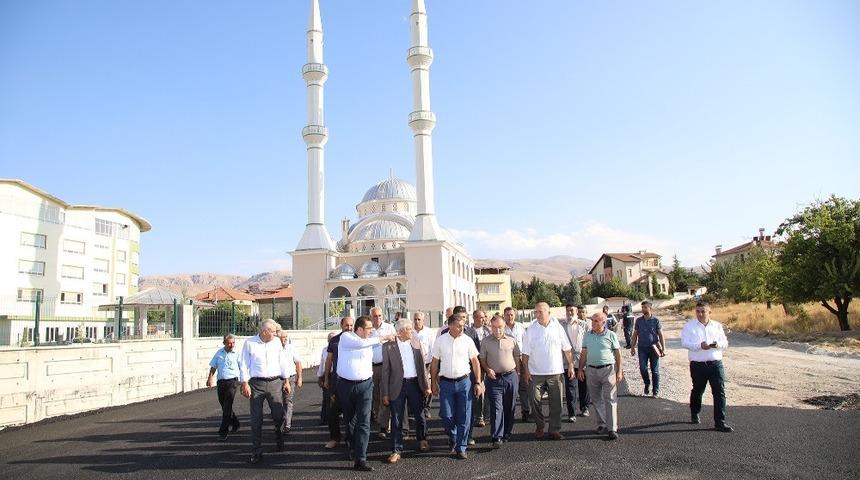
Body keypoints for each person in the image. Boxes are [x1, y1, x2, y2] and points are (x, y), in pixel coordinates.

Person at [337, 315, 396, 471]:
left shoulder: (369, 339)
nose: (372, 331)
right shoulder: (346, 337)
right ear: (360, 329)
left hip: (365, 385)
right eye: (369, 329)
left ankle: (361, 458)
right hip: (346, 386)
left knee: (364, 421)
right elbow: (361, 343)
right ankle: (351, 443)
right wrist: (382, 337)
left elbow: (372, 343)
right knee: (350, 420)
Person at [431, 313, 483, 459]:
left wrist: (478, 382)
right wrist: (433, 382)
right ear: (450, 325)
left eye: (463, 326)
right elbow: (434, 363)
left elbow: (475, 362)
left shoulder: (467, 340)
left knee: (464, 417)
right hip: (446, 383)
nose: (462, 328)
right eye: (459, 326)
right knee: (446, 415)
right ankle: (453, 436)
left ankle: (461, 447)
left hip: (464, 382)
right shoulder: (441, 340)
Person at [239, 319, 291, 464]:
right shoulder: (249, 343)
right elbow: (244, 364)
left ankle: (279, 437)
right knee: (256, 419)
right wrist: (245, 383)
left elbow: (283, 361)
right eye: (273, 332)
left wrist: (286, 380)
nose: (276, 334)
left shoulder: (276, 343)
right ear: (264, 331)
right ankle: (256, 451)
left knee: (279, 415)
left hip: (275, 382)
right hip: (256, 383)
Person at [521, 302, 574, 440]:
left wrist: (571, 365)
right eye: (536, 312)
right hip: (535, 373)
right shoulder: (531, 330)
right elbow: (525, 353)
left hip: (555, 372)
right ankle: (540, 425)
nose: (537, 314)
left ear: (548, 312)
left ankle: (554, 430)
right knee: (534, 400)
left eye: (540, 312)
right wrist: (526, 371)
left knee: (556, 403)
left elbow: (567, 349)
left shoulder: (558, 328)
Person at [381, 319, 432, 463]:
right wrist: (385, 393)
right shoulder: (388, 347)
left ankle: (422, 439)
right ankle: (396, 449)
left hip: (415, 384)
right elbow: (385, 371)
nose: (412, 331)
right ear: (401, 331)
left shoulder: (416, 343)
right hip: (397, 386)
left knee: (419, 414)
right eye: (409, 329)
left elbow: (422, 367)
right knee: (397, 418)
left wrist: (427, 386)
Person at [681, 302, 733, 433]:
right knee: (698, 390)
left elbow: (725, 342)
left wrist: (717, 344)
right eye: (698, 311)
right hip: (698, 365)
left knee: (719, 392)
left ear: (710, 311)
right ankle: (695, 412)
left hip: (715, 363)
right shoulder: (689, 326)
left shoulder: (717, 326)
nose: (700, 314)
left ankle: (720, 422)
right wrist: (699, 345)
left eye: (703, 311)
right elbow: (684, 342)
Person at [578, 312, 623, 440]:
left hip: (608, 370)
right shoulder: (587, 336)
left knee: (610, 399)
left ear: (603, 322)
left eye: (596, 321)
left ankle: (612, 429)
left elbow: (618, 354)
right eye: (592, 321)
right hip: (591, 371)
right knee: (596, 399)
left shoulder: (611, 335)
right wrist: (580, 369)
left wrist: (619, 371)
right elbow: (584, 353)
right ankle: (602, 424)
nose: (593, 323)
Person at [479, 314, 520, 447]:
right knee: (497, 408)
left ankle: (506, 433)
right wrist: (487, 369)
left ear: (505, 326)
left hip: (510, 377)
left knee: (509, 407)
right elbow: (482, 360)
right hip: (494, 379)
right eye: (495, 327)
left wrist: (518, 374)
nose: (497, 330)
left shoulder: (512, 340)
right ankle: (496, 436)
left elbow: (517, 357)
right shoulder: (485, 342)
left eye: (500, 327)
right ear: (491, 327)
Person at [322, 316, 354, 449]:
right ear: (341, 325)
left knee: (350, 412)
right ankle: (335, 438)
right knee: (332, 411)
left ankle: (350, 439)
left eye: (351, 325)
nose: (349, 328)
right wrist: (326, 378)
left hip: (351, 381)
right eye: (347, 325)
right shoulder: (335, 340)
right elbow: (329, 360)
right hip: (336, 381)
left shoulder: (357, 340)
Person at [207, 333, 241, 440]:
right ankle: (235, 423)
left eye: (233, 343)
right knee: (224, 405)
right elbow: (213, 366)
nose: (232, 345)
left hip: (232, 382)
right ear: (224, 343)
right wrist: (210, 378)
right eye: (229, 343)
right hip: (221, 382)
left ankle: (223, 432)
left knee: (227, 406)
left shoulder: (237, 354)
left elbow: (243, 367)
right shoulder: (219, 353)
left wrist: (246, 382)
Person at [369, 307, 396, 439]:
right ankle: (379, 420)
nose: (377, 318)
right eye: (375, 316)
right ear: (371, 317)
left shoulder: (389, 328)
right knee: (375, 396)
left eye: (379, 315)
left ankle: (384, 426)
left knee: (385, 395)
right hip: (371, 368)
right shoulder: (367, 330)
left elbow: (395, 344)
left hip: (386, 367)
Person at [630, 300, 665, 397]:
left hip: (654, 348)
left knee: (655, 370)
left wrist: (663, 348)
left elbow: (661, 335)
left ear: (650, 308)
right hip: (642, 348)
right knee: (643, 368)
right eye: (642, 307)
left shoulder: (656, 321)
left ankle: (655, 390)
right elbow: (635, 334)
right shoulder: (638, 321)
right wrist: (632, 347)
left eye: (645, 307)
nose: (643, 309)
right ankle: (647, 383)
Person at [560, 304, 589, 422]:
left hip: (582, 358)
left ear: (576, 311)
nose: (569, 313)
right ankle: (572, 413)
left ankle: (584, 407)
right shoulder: (562, 326)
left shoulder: (584, 325)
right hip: (567, 360)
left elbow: (588, 342)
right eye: (567, 311)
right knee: (570, 387)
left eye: (571, 310)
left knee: (583, 385)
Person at [503, 306, 530, 422]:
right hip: (508, 361)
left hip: (521, 360)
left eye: (511, 314)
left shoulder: (521, 327)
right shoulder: (501, 328)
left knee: (524, 387)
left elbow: (526, 344)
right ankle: (509, 413)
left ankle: (525, 411)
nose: (510, 317)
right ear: (504, 316)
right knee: (509, 389)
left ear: (515, 315)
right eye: (507, 315)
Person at [277, 329, 303, 433]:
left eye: (286, 337)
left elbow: (298, 362)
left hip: (290, 377)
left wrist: (299, 377)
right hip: (277, 378)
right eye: (283, 338)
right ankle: (279, 421)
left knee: (288, 400)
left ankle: (287, 425)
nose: (285, 339)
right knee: (277, 401)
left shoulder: (291, 348)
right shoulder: (274, 349)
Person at [412, 311, 435, 419]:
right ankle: (418, 407)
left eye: (419, 319)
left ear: (423, 321)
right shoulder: (410, 332)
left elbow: (433, 348)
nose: (417, 321)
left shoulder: (429, 332)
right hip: (415, 363)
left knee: (428, 384)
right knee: (417, 385)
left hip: (427, 363)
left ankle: (427, 408)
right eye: (415, 319)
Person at [471, 309, 490, 428]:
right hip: (475, 363)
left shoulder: (488, 331)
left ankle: (486, 414)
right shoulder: (469, 331)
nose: (483, 319)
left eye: (484, 317)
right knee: (478, 390)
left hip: (488, 363)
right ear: (474, 318)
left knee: (487, 390)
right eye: (480, 317)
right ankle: (478, 416)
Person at [573, 305, 592, 417]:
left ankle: (585, 407)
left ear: (586, 313)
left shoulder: (589, 325)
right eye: (579, 312)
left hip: (586, 358)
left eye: (583, 312)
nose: (581, 314)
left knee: (584, 384)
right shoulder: (573, 325)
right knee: (574, 385)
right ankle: (574, 409)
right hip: (573, 358)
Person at [317, 331, 337, 425]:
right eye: (330, 340)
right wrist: (320, 376)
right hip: (328, 374)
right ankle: (324, 417)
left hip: (337, 375)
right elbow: (322, 363)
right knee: (326, 397)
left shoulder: (340, 348)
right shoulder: (325, 350)